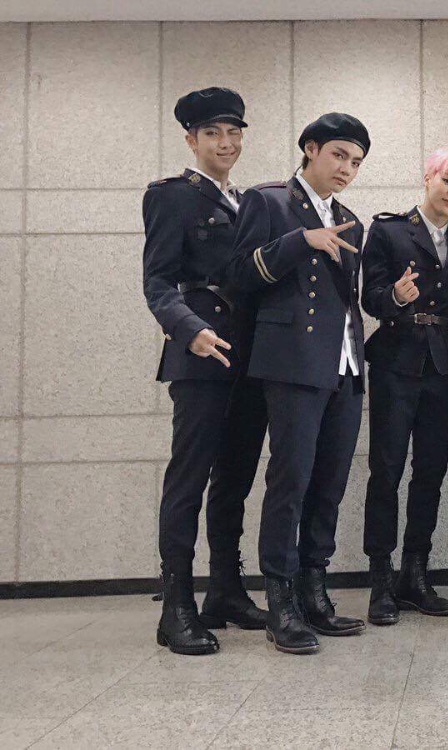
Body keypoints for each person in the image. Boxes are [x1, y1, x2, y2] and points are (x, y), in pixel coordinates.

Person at [226, 113, 370, 654]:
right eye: (338, 155)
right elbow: (238, 275)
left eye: (356, 162)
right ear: (310, 148)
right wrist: (300, 241)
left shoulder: (351, 220)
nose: (346, 168)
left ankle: (314, 592)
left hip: (345, 365)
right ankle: (281, 602)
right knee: (291, 480)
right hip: (291, 363)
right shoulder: (269, 202)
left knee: (330, 483)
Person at [142, 87, 268, 655]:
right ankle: (176, 605)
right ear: (191, 140)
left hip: (248, 356)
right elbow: (158, 281)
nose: (226, 143)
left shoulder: (248, 202)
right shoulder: (172, 197)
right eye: (213, 133)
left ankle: (225, 590)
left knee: (236, 477)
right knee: (189, 478)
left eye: (234, 132)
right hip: (199, 357)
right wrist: (189, 329)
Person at [361, 148, 448, 626]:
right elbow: (369, 297)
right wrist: (394, 296)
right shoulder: (389, 231)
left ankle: (415, 575)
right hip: (395, 360)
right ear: (429, 177)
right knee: (386, 470)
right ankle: (380, 581)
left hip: (442, 365)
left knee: (430, 471)